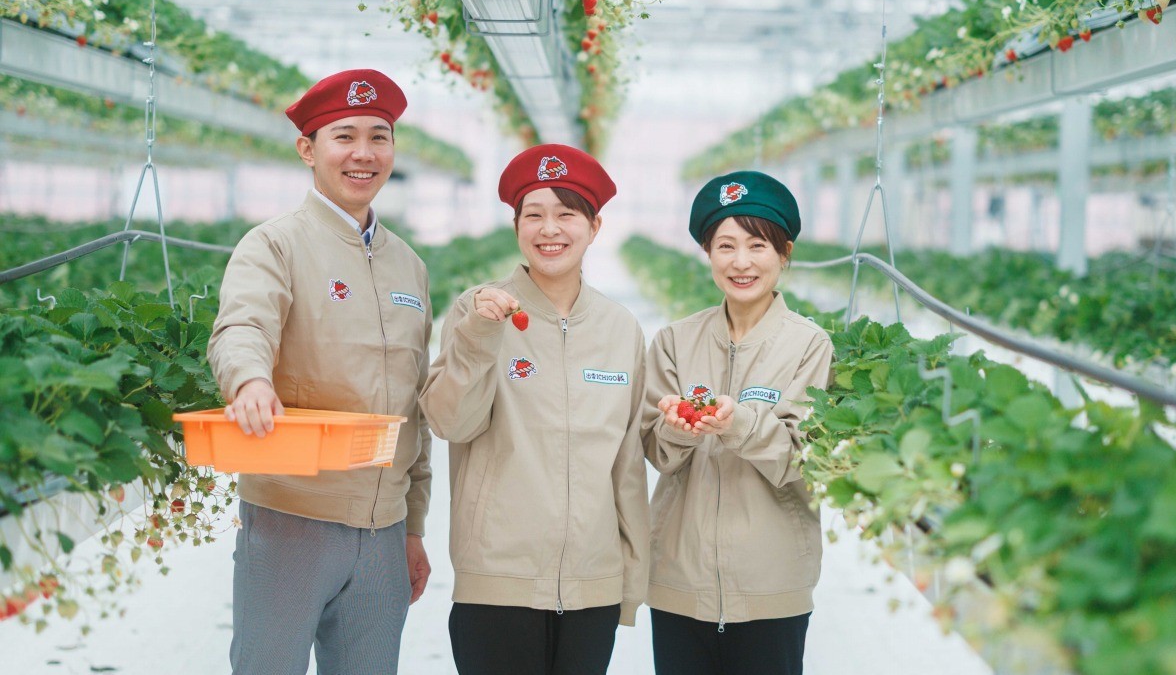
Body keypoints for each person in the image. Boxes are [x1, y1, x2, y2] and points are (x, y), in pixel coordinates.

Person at [206, 68, 433, 675]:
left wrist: (413, 526)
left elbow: (416, 405)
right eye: (344, 136)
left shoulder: (409, 267)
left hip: (383, 528)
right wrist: (250, 380)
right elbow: (242, 328)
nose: (364, 153)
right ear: (308, 149)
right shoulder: (274, 245)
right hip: (293, 517)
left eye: (379, 136)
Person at [419, 143, 649, 675]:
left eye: (567, 214)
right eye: (534, 215)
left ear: (595, 227)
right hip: (498, 584)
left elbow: (627, 466)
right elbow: (451, 422)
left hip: (593, 587)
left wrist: (630, 581)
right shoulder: (479, 310)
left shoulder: (620, 328)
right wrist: (479, 336)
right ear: (516, 226)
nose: (551, 230)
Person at [641, 170, 834, 675]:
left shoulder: (810, 345)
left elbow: (803, 459)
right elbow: (656, 452)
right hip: (679, 581)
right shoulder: (674, 341)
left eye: (757, 245)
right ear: (707, 253)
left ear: (784, 252)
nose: (741, 262)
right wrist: (674, 429)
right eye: (725, 245)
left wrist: (738, 423)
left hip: (773, 584)